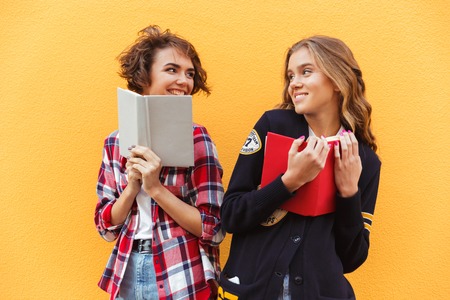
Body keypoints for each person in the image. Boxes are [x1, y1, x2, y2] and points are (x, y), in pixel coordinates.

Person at [218, 36, 381, 299]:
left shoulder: (362, 160)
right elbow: (231, 216)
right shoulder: (273, 127)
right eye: (291, 75)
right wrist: (288, 182)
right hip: (253, 290)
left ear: (338, 80)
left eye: (306, 72)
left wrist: (349, 192)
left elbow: (352, 259)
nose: (294, 83)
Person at [94, 25, 225, 300]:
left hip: (181, 270)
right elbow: (105, 227)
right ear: (144, 77)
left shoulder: (196, 137)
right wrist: (132, 188)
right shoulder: (114, 142)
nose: (184, 81)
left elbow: (212, 228)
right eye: (172, 70)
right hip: (127, 269)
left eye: (189, 73)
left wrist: (155, 188)